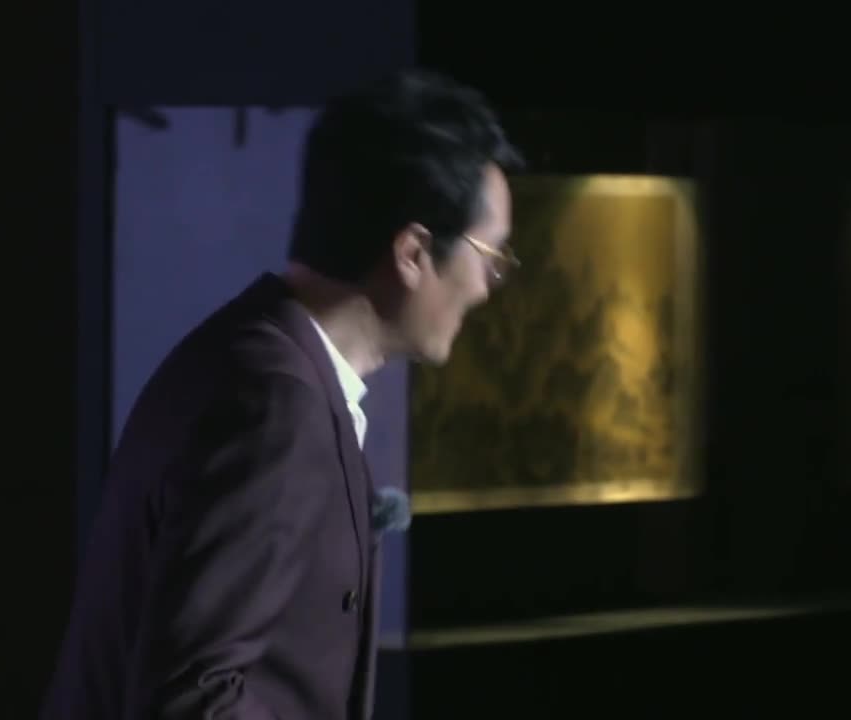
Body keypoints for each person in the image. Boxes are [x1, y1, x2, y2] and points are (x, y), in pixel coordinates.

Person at [40, 68, 523, 720]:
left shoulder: (258, 358)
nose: (489, 286)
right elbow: (192, 699)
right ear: (412, 252)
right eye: (489, 256)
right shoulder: (277, 404)